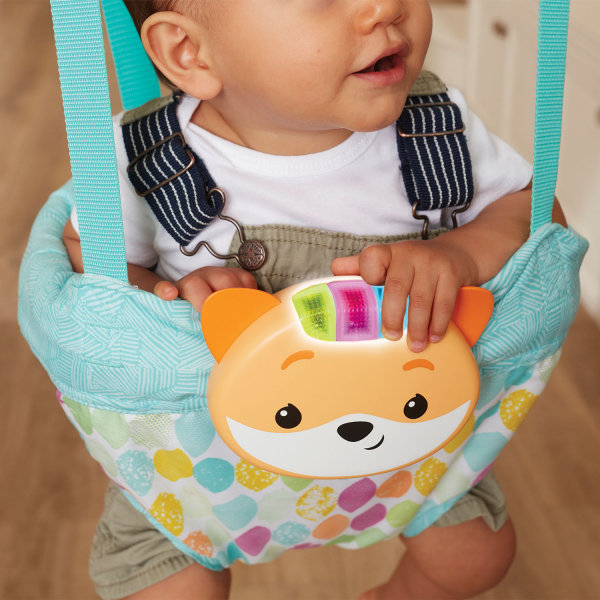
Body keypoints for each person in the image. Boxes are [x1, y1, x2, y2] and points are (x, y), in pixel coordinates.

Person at [62, 0, 566, 598]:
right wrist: (165, 295)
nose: (385, 7)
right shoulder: (143, 158)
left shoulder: (437, 130)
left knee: (474, 557)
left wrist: (461, 253)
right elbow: (90, 255)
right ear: (188, 51)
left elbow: (534, 211)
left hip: (406, 454)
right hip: (203, 471)